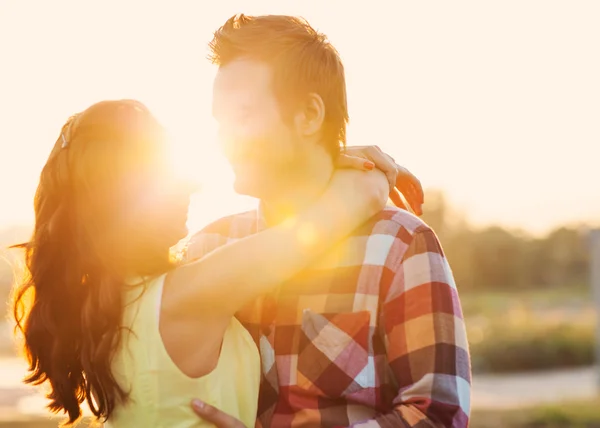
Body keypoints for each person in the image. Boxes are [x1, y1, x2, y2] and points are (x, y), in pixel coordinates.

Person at [11, 99, 422, 427]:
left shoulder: (106, 307)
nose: (192, 183)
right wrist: (368, 164)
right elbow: (354, 202)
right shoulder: (189, 294)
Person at [186, 14, 471, 428]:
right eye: (218, 121)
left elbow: (438, 415)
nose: (222, 138)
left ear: (309, 115)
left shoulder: (399, 246)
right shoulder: (207, 247)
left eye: (242, 115)